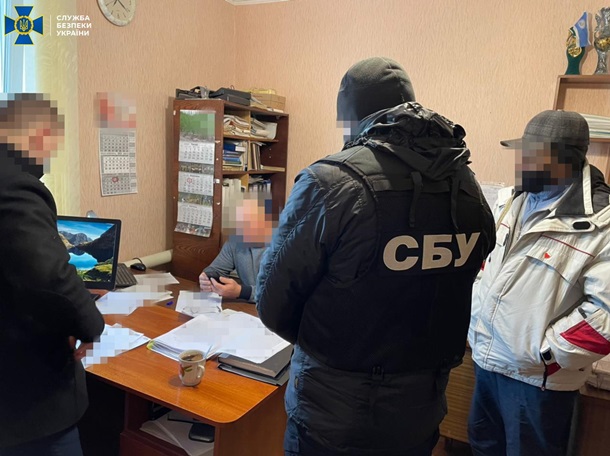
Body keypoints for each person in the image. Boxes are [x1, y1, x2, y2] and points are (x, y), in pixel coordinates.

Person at [256, 57, 496, 455]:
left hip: (333, 413)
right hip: (421, 408)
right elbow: (467, 273)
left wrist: (330, 342)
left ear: (350, 114)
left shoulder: (332, 181)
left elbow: (272, 301)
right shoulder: (464, 180)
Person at [468, 110, 610, 456]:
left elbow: (605, 316)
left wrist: (547, 353)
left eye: (535, 155)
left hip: (535, 380)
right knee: (482, 446)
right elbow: (489, 267)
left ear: (568, 161)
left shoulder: (601, 221)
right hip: (486, 360)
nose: (523, 163)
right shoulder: (511, 200)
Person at [0, 93, 105, 455]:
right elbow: (49, 275)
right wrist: (90, 324)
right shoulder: (15, 184)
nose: (49, 155)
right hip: (27, 402)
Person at [199, 193, 273, 302]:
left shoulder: (284, 247)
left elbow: (280, 293)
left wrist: (241, 292)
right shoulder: (235, 241)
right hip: (247, 307)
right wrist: (207, 278)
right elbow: (217, 269)